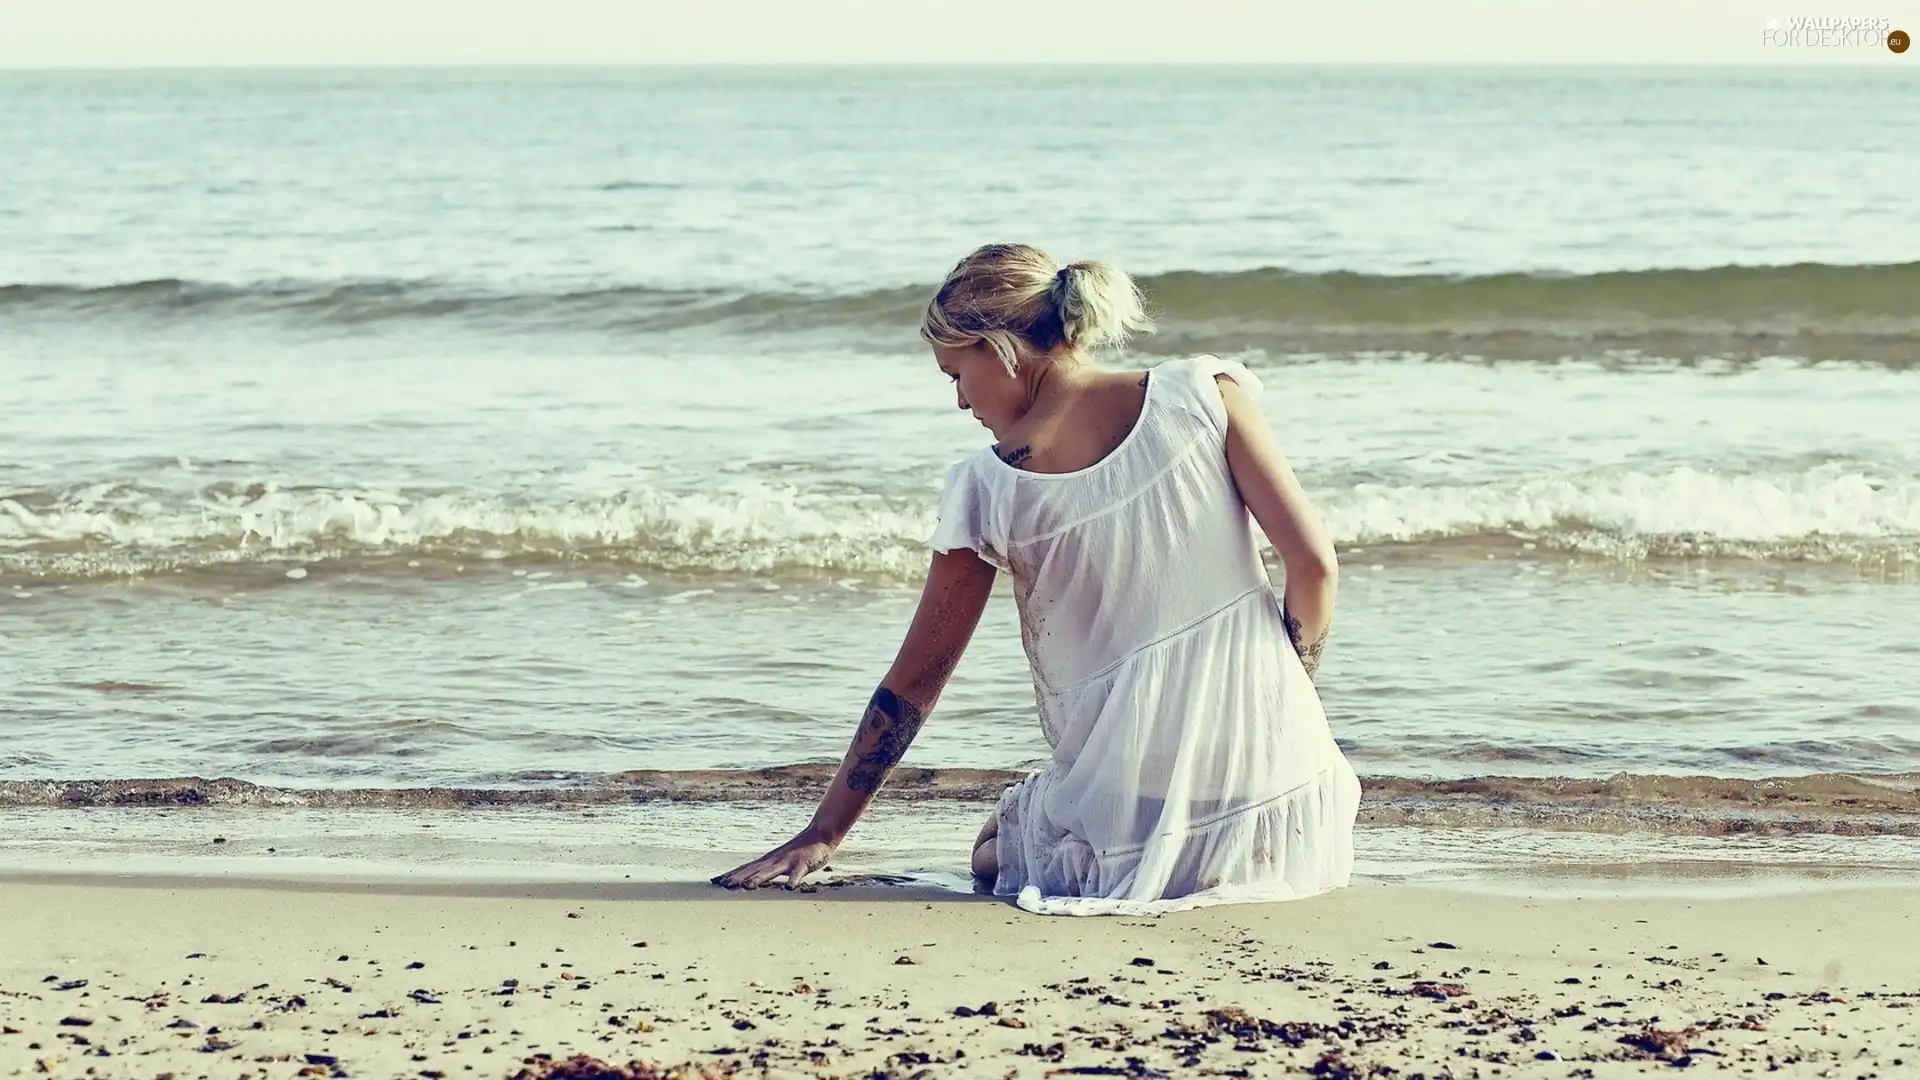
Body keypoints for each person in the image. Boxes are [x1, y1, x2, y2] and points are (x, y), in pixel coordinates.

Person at [712, 243, 1360, 915]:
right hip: (1293, 811)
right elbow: (1314, 568)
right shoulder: (1204, 395)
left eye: (955, 374)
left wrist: (823, 834)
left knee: (994, 846)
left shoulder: (989, 487)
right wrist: (1286, 690)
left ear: (997, 350)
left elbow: (915, 682)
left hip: (1129, 830)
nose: (960, 402)